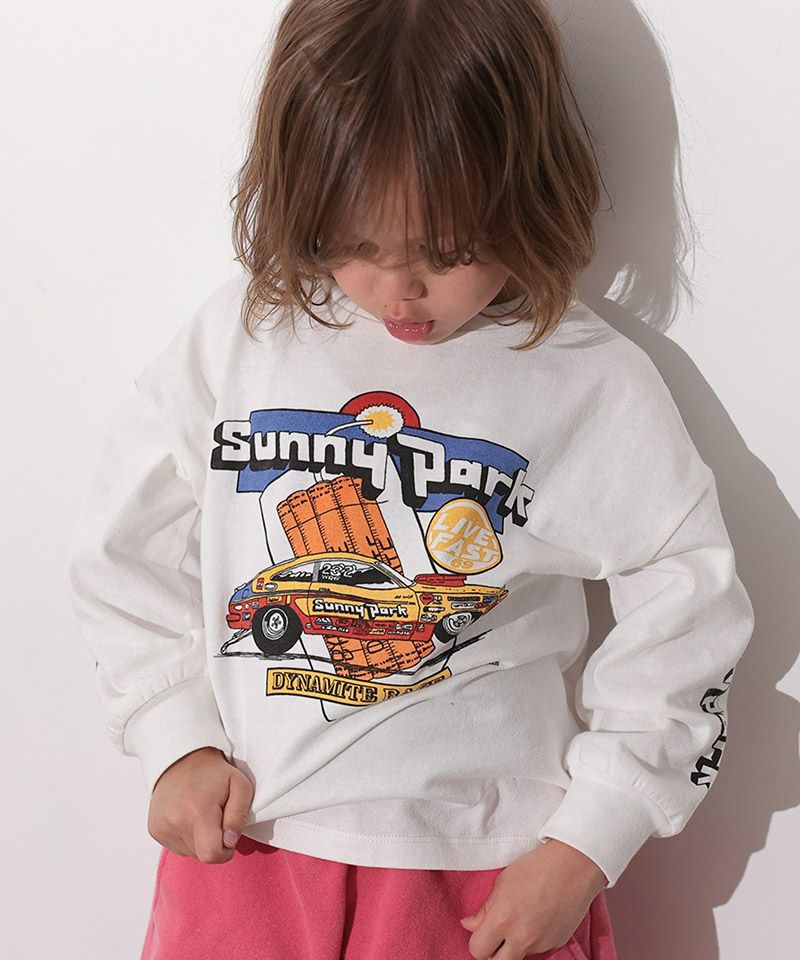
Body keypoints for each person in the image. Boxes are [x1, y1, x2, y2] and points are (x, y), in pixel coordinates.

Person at [66, 1, 756, 958]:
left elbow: (690, 601)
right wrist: (172, 734)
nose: (399, 291)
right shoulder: (245, 337)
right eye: (352, 245)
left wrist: (591, 839)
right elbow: (121, 548)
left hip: (484, 870)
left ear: (529, 191)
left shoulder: (586, 379)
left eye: (448, 253)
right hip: (248, 844)